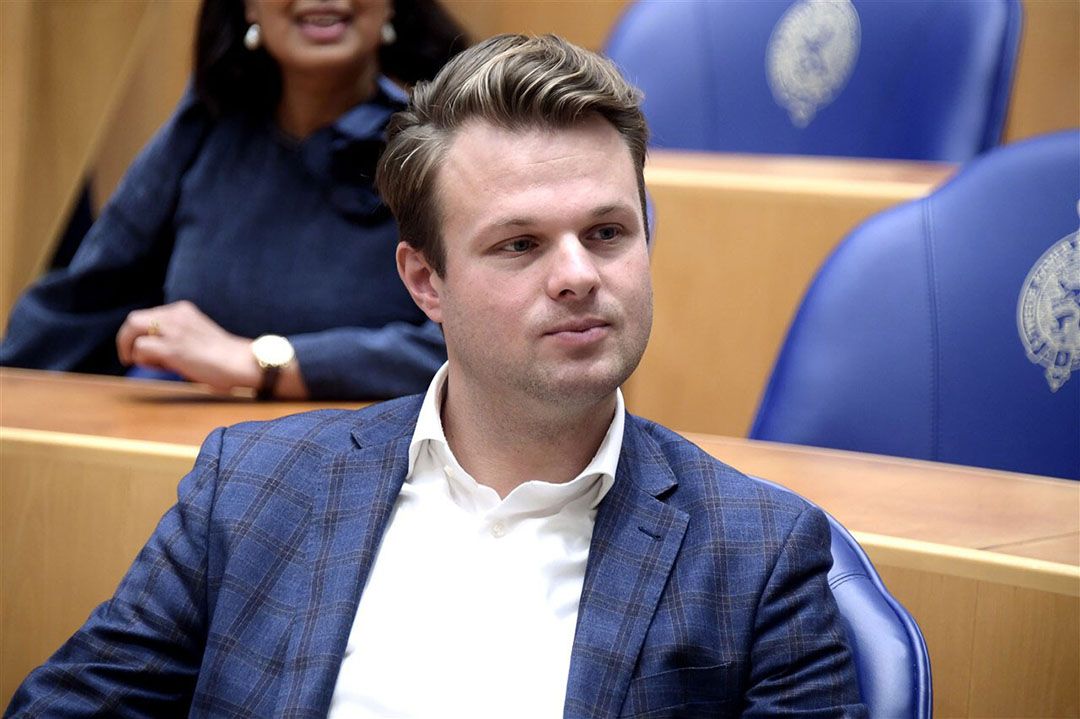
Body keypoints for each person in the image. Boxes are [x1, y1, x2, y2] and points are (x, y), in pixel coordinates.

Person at [5, 35, 866, 717]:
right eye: (519, 244)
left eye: (608, 232)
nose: (577, 273)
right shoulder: (249, 491)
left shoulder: (762, 555)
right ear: (426, 281)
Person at [0, 0, 467, 400]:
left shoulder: (446, 147)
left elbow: (476, 344)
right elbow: (87, 299)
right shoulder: (207, 126)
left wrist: (260, 361)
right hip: (187, 449)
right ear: (247, 6)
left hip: (371, 462)